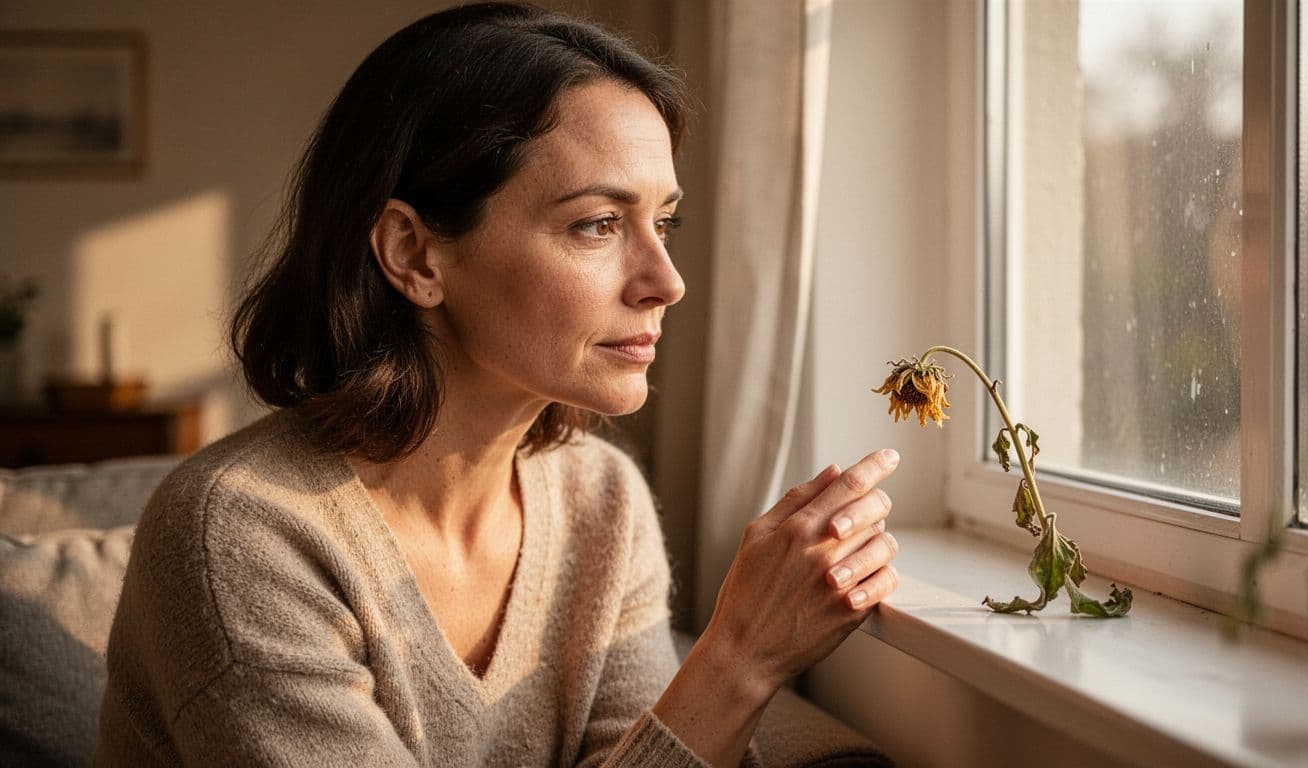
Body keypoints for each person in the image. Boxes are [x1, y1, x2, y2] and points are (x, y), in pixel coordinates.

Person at [94, 3, 900, 766]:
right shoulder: (242, 536)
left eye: (665, 222)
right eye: (598, 224)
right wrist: (742, 658)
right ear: (414, 255)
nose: (667, 280)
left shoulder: (601, 501)